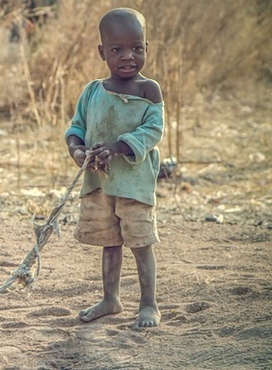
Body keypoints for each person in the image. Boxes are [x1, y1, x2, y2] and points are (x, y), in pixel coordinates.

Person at [65, 8, 163, 328]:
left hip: (134, 184)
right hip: (101, 184)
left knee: (140, 242)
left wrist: (118, 147)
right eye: (116, 49)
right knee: (110, 241)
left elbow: (153, 131)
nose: (128, 56)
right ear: (101, 52)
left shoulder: (149, 90)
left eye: (137, 48)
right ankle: (111, 298)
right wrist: (78, 152)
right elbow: (76, 128)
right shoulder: (92, 91)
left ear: (147, 47)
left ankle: (148, 304)